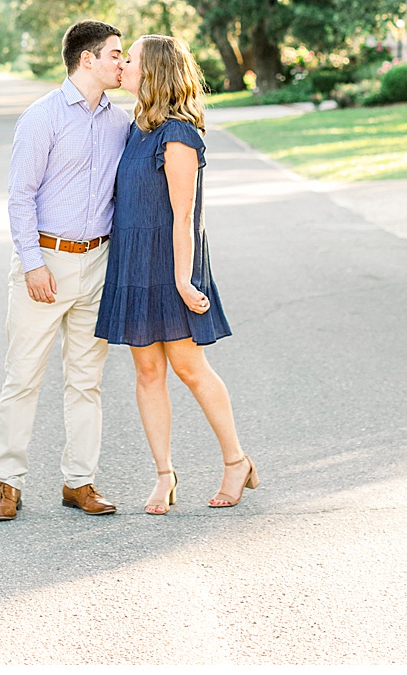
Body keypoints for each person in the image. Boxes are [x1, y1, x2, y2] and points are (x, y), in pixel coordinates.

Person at [94, 33, 258, 513]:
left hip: (172, 264)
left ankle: (236, 461)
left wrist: (185, 280)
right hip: (133, 262)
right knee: (147, 371)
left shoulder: (179, 133)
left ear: (154, 71)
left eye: (132, 59)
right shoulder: (135, 128)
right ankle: (164, 475)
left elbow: (183, 216)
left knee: (189, 367)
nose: (122, 65)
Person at [0, 19, 132, 521]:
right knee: (23, 377)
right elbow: (20, 195)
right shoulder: (41, 117)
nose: (123, 62)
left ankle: (80, 483)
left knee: (86, 381)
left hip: (98, 264)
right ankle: (8, 483)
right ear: (86, 59)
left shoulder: (120, 123)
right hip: (45, 263)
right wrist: (32, 263)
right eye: (115, 54)